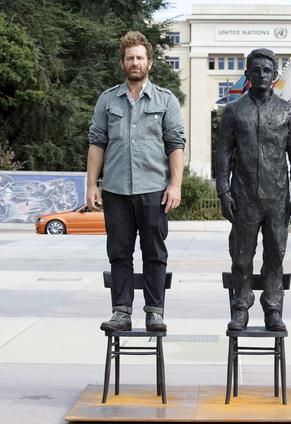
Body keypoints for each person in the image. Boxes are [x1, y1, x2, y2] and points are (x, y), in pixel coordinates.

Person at [87, 31, 185, 332]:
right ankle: (121, 312)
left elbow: (175, 144)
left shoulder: (165, 101)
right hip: (115, 190)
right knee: (119, 252)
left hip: (154, 190)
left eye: (140, 57)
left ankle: (154, 311)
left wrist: (175, 185)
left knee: (155, 252)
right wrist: (91, 184)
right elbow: (96, 143)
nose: (135, 62)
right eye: (130, 58)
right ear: (122, 63)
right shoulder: (107, 100)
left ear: (150, 63)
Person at [216, 48, 291, 332]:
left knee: (275, 255)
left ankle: (273, 308)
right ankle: (241, 306)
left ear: (275, 76)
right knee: (241, 256)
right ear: (247, 74)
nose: (262, 75)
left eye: (268, 70)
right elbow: (222, 154)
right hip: (244, 197)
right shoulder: (234, 111)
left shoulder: (288, 111)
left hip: (278, 198)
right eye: (256, 70)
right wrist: (223, 192)